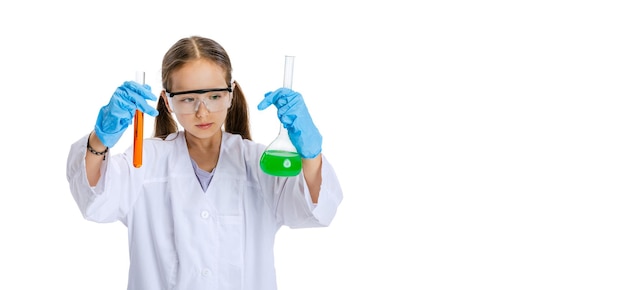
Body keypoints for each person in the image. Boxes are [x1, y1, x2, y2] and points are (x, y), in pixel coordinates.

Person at [66, 35, 343, 290]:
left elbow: (315, 211)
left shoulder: (258, 164)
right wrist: (99, 140)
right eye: (188, 99)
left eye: (214, 96)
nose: (203, 111)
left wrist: (311, 154)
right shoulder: (146, 161)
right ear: (167, 100)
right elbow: (95, 202)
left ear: (231, 93)